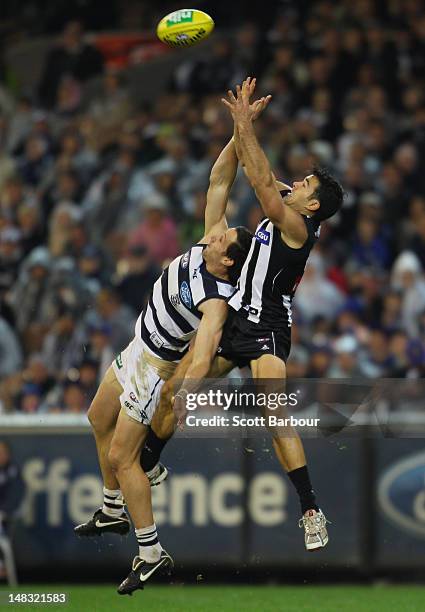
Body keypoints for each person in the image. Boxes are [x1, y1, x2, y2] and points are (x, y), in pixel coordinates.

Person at [74, 91, 268, 595]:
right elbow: (220, 178)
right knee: (96, 417)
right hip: (137, 346)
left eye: (224, 241)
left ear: (229, 261)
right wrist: (240, 128)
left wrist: (179, 392)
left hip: (155, 366)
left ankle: (150, 553)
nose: (215, 233)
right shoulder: (210, 244)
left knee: (124, 459)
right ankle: (114, 508)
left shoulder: (217, 297)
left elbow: (203, 353)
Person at [170, 78, 344, 552]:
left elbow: (263, 183)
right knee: (180, 386)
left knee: (274, 412)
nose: (298, 182)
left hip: (267, 327)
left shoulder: (296, 225)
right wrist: (240, 129)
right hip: (234, 320)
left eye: (306, 184)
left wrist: (244, 121)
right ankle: (150, 460)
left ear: (312, 207)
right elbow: (244, 171)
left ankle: (310, 509)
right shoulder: (288, 208)